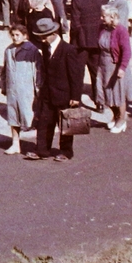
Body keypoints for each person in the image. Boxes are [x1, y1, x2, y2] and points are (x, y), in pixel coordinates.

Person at [28, 16, 86, 161]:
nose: (42, 40)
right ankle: (42, 150)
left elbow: (76, 76)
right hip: (48, 93)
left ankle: (66, 152)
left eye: (44, 36)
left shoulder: (69, 50)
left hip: (64, 95)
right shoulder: (46, 48)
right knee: (44, 123)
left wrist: (76, 97)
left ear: (53, 34)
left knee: (65, 125)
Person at [0, 23, 40, 155]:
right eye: (13, 35)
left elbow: (37, 71)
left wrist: (38, 90)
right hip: (12, 90)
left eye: (18, 35)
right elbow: (4, 70)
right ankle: (15, 143)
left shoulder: (32, 50)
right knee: (13, 117)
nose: (15, 38)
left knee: (32, 117)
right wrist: (4, 86)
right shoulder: (8, 50)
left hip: (27, 90)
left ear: (25, 36)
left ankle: (39, 144)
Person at [98, 3, 132, 134]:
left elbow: (127, 51)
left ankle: (122, 120)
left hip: (116, 64)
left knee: (118, 94)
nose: (101, 18)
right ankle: (116, 115)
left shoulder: (121, 30)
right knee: (106, 93)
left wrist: (122, 67)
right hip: (103, 64)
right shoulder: (102, 28)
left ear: (112, 17)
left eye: (104, 16)